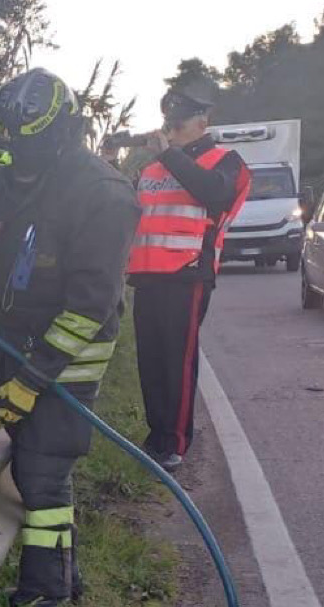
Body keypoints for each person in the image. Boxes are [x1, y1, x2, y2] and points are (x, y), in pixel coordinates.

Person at [0, 68, 141, 607]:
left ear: (61, 133)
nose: (14, 159)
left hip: (69, 353)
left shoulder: (103, 195)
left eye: (25, 147)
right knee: (29, 457)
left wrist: (34, 379)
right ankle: (63, 570)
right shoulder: (13, 172)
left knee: (44, 469)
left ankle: (48, 590)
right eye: (7, 147)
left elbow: (90, 305)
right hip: (15, 339)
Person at [125, 76, 249, 471]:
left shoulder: (225, 161)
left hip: (186, 274)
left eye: (178, 125)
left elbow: (213, 193)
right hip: (146, 274)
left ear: (202, 121)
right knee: (150, 361)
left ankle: (175, 442)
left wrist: (169, 155)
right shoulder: (152, 168)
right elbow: (130, 207)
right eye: (168, 125)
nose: (171, 132)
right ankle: (155, 436)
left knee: (176, 360)